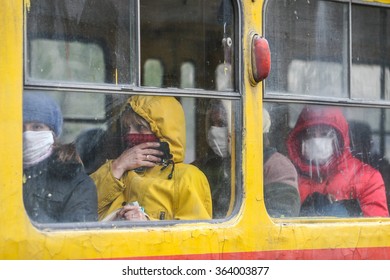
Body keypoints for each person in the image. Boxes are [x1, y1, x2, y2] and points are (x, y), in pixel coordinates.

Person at [90, 95, 212, 221]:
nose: (130, 134)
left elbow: (195, 234)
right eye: (127, 128)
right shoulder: (117, 168)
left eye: (140, 128)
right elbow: (81, 206)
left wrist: (147, 223)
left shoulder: (188, 176)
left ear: (163, 133)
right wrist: (117, 166)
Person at [286, 105, 389, 217]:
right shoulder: (290, 177)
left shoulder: (368, 178)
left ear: (339, 138)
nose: (316, 141)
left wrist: (346, 211)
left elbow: (375, 230)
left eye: (325, 134)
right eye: (310, 134)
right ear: (301, 140)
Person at [23, 92, 98, 223]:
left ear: (52, 132)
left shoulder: (76, 181)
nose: (27, 135)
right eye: (21, 127)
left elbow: (76, 237)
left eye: (37, 127)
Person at [192, 100, 231, 218]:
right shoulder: (199, 167)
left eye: (222, 124)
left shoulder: (272, 166)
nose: (214, 131)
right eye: (211, 124)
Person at [263, 109, 300, 217]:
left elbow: (281, 219)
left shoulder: (279, 167)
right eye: (213, 125)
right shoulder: (215, 164)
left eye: (222, 124)